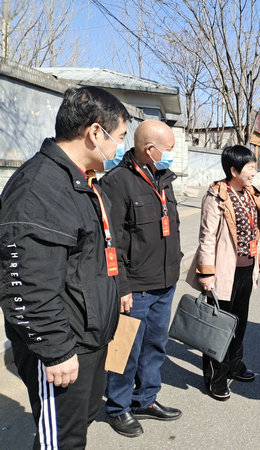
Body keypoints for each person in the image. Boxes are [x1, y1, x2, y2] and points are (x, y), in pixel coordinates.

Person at [0, 86, 129, 448]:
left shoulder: (80, 182)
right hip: (65, 345)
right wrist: (56, 350)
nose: (118, 148)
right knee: (62, 441)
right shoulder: (40, 187)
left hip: (89, 340)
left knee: (77, 428)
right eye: (118, 138)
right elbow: (27, 283)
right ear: (94, 133)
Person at [100, 120, 183, 437]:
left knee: (155, 346)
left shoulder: (163, 177)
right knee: (124, 350)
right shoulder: (117, 183)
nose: (172, 154)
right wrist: (122, 286)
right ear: (150, 150)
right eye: (170, 148)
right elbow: (113, 242)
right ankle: (117, 407)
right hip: (134, 288)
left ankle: (145, 400)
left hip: (164, 283)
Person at [186, 145, 260, 401]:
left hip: (246, 270)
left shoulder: (251, 194)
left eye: (255, 166)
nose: (255, 171)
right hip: (222, 272)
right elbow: (207, 238)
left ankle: (235, 365)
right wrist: (206, 273)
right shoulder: (216, 195)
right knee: (218, 327)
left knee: (239, 324)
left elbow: (257, 231)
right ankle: (215, 378)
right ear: (234, 170)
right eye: (250, 167)